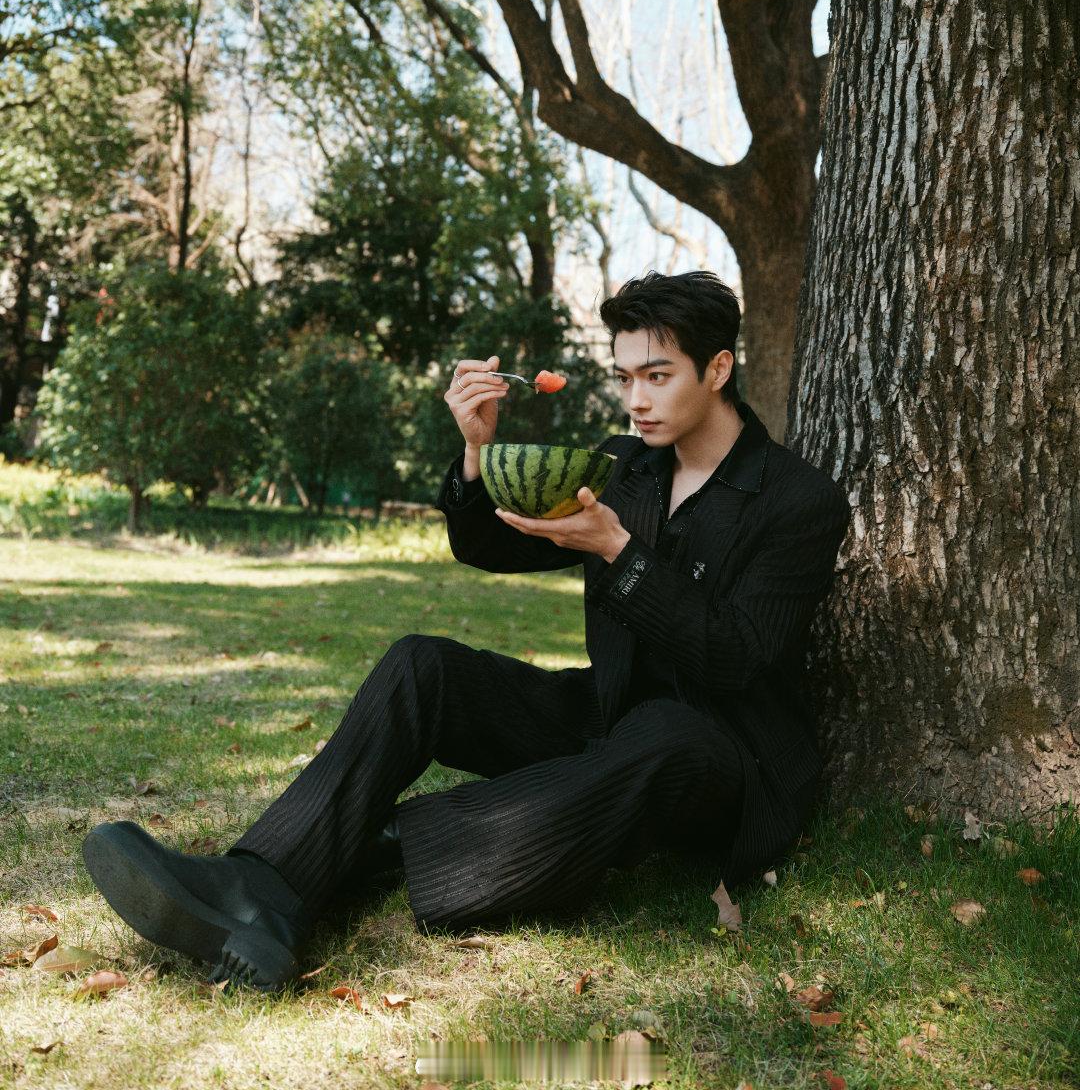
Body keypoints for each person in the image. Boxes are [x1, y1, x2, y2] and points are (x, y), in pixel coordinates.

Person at [81, 270, 851, 991]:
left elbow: (737, 658)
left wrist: (620, 552)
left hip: (726, 763)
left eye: (657, 377)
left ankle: (369, 852)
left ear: (717, 370)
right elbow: (493, 546)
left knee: (666, 734)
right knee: (424, 667)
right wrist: (476, 450)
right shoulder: (625, 467)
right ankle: (258, 888)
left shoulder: (799, 499)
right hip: (610, 719)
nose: (635, 401)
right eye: (624, 379)